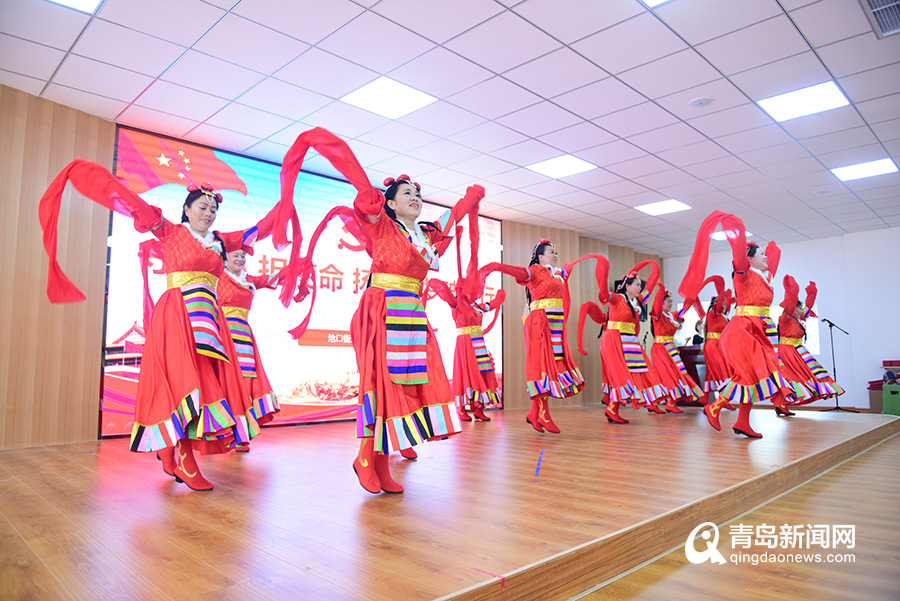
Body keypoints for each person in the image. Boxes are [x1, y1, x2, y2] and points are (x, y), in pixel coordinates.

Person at [39, 162, 294, 490]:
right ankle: (184, 459)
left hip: (210, 321)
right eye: (202, 207)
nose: (209, 213)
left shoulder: (221, 241)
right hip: (177, 314)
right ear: (186, 210)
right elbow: (135, 205)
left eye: (213, 209)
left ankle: (170, 451)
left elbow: (263, 228)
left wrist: (287, 198)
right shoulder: (170, 231)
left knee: (206, 385)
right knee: (184, 383)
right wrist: (104, 181)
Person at [679, 212, 800, 438]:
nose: (765, 257)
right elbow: (739, 257)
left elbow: (771, 268)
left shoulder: (764, 278)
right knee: (749, 373)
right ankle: (715, 407)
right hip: (742, 330)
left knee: (753, 375)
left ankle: (742, 421)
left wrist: (793, 291)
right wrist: (739, 233)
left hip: (759, 330)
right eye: (761, 254)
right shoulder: (742, 274)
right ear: (749, 259)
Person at [482, 241, 593, 433]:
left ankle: (534, 413)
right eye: (551, 252)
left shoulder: (555, 274)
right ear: (540, 257)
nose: (555, 255)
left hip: (555, 324)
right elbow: (519, 272)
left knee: (551, 364)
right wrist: (497, 266)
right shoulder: (535, 271)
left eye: (556, 252)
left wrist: (565, 272)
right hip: (540, 322)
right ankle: (544, 414)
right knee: (541, 365)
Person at [427, 206, 505, 423]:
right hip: (464, 343)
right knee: (465, 373)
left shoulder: (477, 306)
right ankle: (462, 408)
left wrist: (499, 297)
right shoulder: (457, 303)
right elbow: (439, 286)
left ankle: (478, 407)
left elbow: (495, 302)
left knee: (482, 372)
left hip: (478, 341)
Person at [578, 260, 670, 424]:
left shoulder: (639, 301)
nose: (639, 288)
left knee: (638, 372)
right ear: (627, 285)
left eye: (640, 285)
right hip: (614, 339)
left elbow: (653, 278)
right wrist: (604, 268)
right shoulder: (617, 298)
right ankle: (612, 408)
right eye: (636, 285)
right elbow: (604, 292)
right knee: (621, 375)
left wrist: (651, 264)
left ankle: (612, 408)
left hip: (630, 341)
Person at [217, 245, 284, 450]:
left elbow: (274, 277)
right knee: (223, 381)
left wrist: (298, 265)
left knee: (245, 381)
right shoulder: (217, 276)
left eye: (243, 256)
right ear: (225, 258)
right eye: (235, 255)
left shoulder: (249, 280)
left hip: (243, 337)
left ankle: (241, 435)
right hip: (222, 335)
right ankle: (219, 433)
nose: (240, 259)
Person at [776, 277, 845, 405]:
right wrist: (792, 292)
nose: (801, 310)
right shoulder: (785, 318)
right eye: (799, 308)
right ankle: (781, 403)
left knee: (811, 373)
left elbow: (808, 307)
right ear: (792, 308)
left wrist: (812, 294)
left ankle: (782, 404)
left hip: (797, 350)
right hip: (787, 351)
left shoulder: (798, 318)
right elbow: (790, 306)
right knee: (790, 376)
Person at [648, 284, 703, 413]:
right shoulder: (657, 315)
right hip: (660, 349)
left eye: (671, 301)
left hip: (671, 348)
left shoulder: (672, 315)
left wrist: (691, 295)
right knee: (666, 375)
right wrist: (661, 290)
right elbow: (656, 306)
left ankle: (663, 402)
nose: (671, 304)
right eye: (668, 301)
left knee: (677, 374)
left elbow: (685, 307)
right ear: (661, 303)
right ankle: (665, 403)